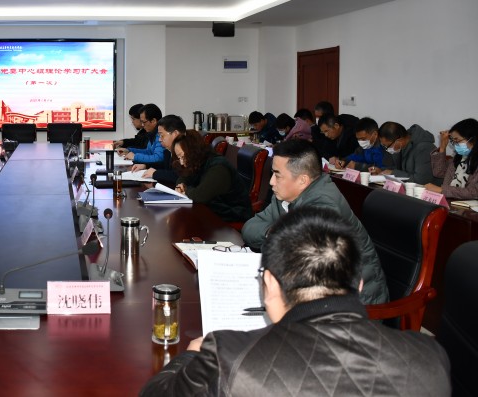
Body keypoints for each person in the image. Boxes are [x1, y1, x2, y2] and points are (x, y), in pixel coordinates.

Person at [141, 207, 450, 397]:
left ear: (269, 284)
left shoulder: (227, 356)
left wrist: (191, 356)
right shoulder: (430, 357)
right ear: (359, 284)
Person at [241, 139, 389, 305]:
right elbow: (249, 228)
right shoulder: (285, 196)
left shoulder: (324, 205)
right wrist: (271, 232)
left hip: (356, 302)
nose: (271, 182)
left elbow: (295, 257)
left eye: (277, 175)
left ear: (302, 180)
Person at [172, 130, 252, 221]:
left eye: (182, 156)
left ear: (193, 151)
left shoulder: (218, 168)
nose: (181, 162)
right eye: (179, 158)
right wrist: (181, 186)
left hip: (234, 215)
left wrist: (185, 190)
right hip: (215, 210)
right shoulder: (198, 161)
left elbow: (200, 196)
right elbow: (184, 177)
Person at [373, 121, 440, 184]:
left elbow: (421, 180)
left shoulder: (424, 148)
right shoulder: (401, 146)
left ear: (399, 140)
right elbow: (397, 169)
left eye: (387, 146)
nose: (387, 149)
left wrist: (393, 173)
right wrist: (382, 171)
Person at [426, 118, 478, 199]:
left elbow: (474, 192)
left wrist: (442, 190)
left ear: (473, 139)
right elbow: (439, 172)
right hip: (451, 202)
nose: (455, 145)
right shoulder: (459, 157)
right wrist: (442, 146)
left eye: (457, 140)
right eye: (453, 141)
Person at [131, 115, 186, 185]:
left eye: (162, 135)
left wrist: (155, 173)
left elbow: (179, 177)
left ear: (175, 134)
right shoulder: (167, 151)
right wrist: (145, 166)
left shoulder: (186, 151)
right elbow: (163, 165)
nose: (159, 139)